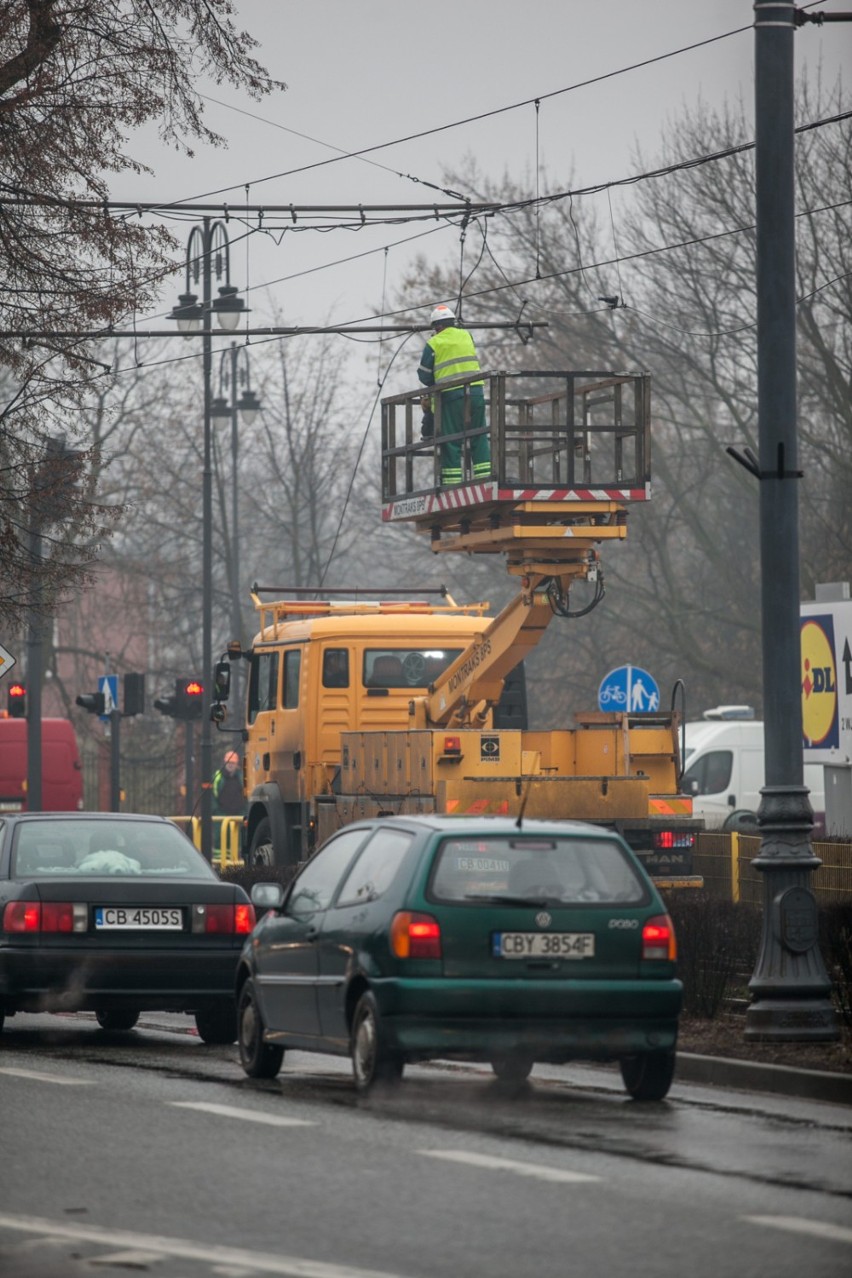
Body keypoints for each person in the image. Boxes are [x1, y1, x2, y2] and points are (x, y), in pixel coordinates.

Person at [417, 303, 491, 486]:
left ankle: (451, 485)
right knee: (479, 435)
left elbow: (424, 375)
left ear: (438, 326)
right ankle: (485, 480)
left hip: (450, 397)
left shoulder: (434, 343)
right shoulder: (467, 335)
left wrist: (436, 381)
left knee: (451, 441)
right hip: (475, 393)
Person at [213, 750, 244, 816]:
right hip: (221, 816)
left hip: (239, 816)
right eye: (228, 762)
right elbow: (212, 797)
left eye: (233, 763)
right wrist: (216, 811)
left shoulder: (242, 777)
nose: (230, 764)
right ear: (225, 763)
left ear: (236, 764)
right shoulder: (217, 777)